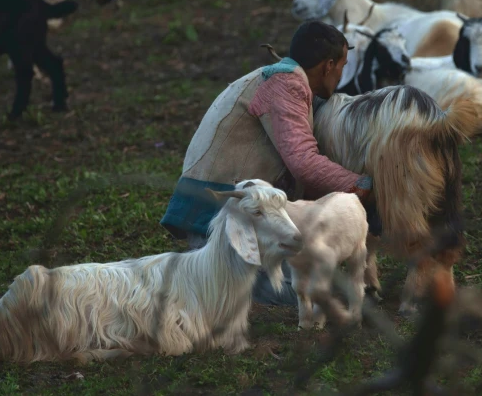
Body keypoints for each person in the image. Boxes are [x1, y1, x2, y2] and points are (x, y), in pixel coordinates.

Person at [159, 19, 381, 306]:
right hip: (219, 215)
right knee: (301, 291)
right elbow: (302, 161)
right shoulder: (286, 85)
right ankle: (209, 276)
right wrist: (360, 185)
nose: (341, 75)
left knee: (308, 274)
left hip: (229, 206)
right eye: (342, 66)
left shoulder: (279, 79)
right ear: (328, 65)